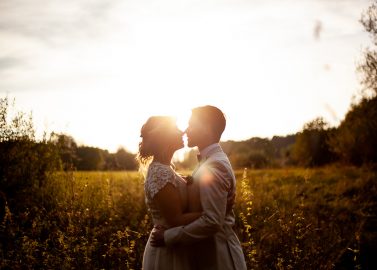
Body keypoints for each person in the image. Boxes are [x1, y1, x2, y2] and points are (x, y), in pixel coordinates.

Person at [151, 105, 247, 270]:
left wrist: (168, 237)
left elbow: (212, 221)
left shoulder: (215, 165)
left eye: (191, 125)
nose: (186, 130)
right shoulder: (211, 161)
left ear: (207, 129)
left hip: (221, 258)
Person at [139, 116, 202, 270]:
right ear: (163, 136)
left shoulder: (166, 169)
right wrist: (215, 211)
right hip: (167, 253)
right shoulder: (160, 172)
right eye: (175, 128)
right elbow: (175, 219)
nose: (182, 132)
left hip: (175, 245)